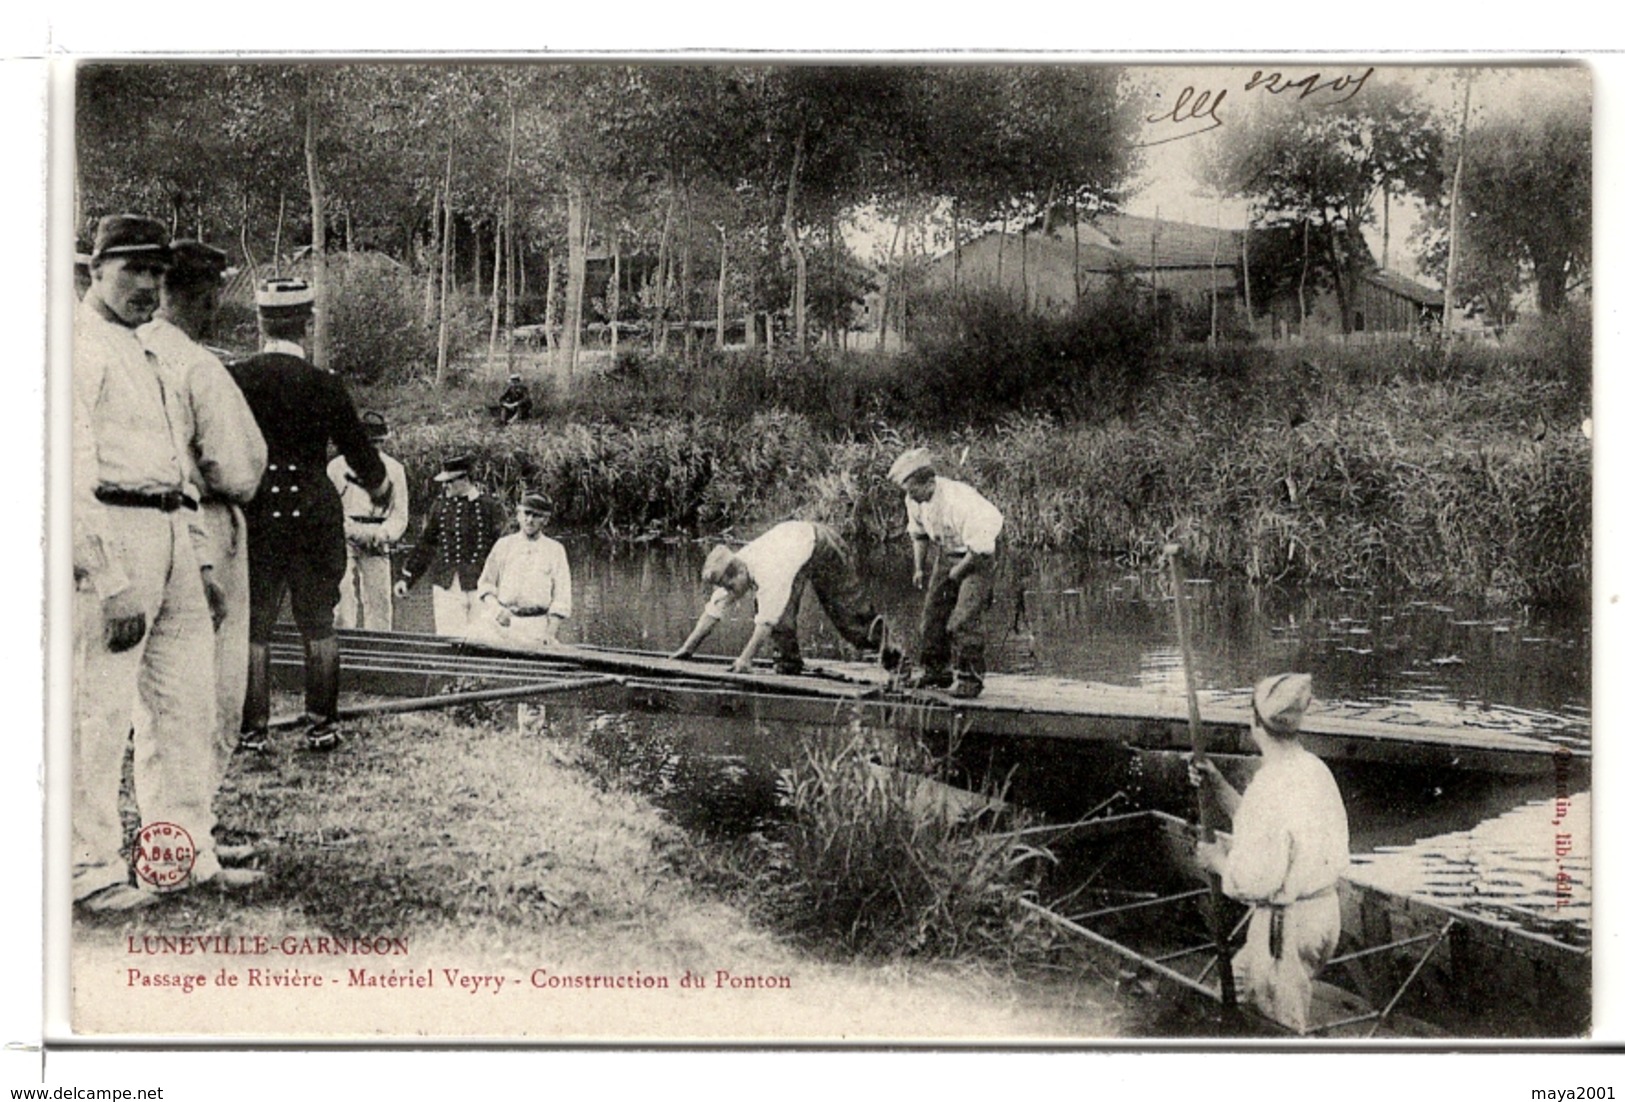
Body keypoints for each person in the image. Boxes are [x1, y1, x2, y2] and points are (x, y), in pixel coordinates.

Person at [71, 215, 229, 910]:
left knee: (184, 708)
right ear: (96, 269)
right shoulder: (77, 349)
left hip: (169, 530)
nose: (148, 285)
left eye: (159, 273)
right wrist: (107, 582)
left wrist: (199, 561)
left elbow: (177, 465)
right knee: (98, 713)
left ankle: (181, 855)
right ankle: (89, 869)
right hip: (114, 532)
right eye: (133, 268)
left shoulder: (153, 353)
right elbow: (67, 476)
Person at [137, 239, 268, 866]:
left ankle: (185, 837)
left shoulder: (136, 350)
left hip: (155, 526)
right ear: (203, 294)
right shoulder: (192, 363)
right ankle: (185, 844)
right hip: (203, 523)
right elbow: (234, 464)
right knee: (205, 693)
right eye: (211, 290)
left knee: (161, 700)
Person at [228, 277, 393, 753]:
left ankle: (252, 733)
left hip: (257, 512)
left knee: (255, 623)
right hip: (314, 515)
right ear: (307, 323)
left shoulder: (237, 378)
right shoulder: (325, 384)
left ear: (260, 323)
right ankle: (322, 726)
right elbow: (360, 451)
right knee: (318, 619)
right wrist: (380, 488)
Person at [1188, 672, 1351, 1033]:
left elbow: (1254, 879)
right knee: (1236, 988)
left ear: (1254, 723)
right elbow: (1268, 829)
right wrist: (1216, 783)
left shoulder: (1269, 786)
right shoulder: (1313, 770)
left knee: (1281, 1028)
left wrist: (1218, 863)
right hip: (1322, 915)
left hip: (1285, 929)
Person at [672, 521, 898, 675]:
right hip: (794, 544)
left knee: (847, 613)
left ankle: (894, 655)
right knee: (781, 613)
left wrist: (745, 659)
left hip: (821, 544)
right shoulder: (734, 567)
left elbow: (766, 621)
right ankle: (789, 663)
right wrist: (687, 649)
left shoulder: (769, 572)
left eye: (731, 586)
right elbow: (714, 609)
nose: (731, 592)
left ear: (740, 572)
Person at [886, 447, 1003, 698]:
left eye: (913, 490)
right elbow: (918, 534)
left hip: (979, 554)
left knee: (963, 619)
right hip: (949, 551)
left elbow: (981, 549)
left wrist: (955, 575)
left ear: (929, 482)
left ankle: (970, 680)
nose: (910, 497)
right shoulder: (915, 501)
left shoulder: (959, 501)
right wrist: (919, 568)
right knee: (932, 616)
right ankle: (937, 671)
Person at [395, 455, 508, 636]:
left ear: (465, 479)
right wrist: (407, 578)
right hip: (446, 584)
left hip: (480, 585)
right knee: (449, 639)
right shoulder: (440, 507)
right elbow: (426, 544)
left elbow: (502, 551)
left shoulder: (489, 507)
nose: (445, 486)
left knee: (483, 639)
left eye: (450, 482)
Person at [328, 411, 409, 631]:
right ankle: (345, 647)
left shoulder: (394, 470)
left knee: (380, 601)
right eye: (369, 442)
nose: (375, 447)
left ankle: (379, 652)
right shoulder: (336, 468)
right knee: (342, 598)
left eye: (379, 442)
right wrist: (350, 530)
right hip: (344, 535)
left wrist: (383, 534)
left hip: (377, 535)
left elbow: (400, 514)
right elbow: (328, 509)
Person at [474, 492, 572, 647]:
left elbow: (562, 598)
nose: (530, 520)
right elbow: (485, 585)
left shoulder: (555, 550)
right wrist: (496, 610)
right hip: (500, 622)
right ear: (518, 515)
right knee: (472, 642)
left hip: (535, 625)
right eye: (526, 513)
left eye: (536, 516)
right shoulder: (504, 545)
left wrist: (550, 633)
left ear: (545, 520)